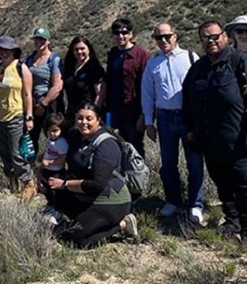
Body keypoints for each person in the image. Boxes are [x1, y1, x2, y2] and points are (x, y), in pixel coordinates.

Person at [183, 20, 247, 239]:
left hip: (238, 139)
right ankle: (233, 222)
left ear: (225, 36)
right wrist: (190, 129)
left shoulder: (239, 62)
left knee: (243, 183)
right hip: (209, 140)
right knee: (222, 184)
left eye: (214, 36)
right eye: (205, 38)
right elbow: (187, 102)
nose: (210, 41)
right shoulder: (197, 69)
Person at [48, 104, 137, 249]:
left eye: (89, 119)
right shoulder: (75, 136)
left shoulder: (106, 145)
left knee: (78, 239)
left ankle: (123, 224)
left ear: (98, 120)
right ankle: (68, 215)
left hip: (110, 199)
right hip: (84, 194)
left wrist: (65, 184)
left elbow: (97, 185)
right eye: (80, 118)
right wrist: (40, 171)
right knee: (50, 182)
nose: (84, 123)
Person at [141, 23, 203, 224]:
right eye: (159, 37)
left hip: (189, 118)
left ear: (175, 36)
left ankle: (195, 204)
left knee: (194, 163)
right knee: (168, 164)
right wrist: (149, 122)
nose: (164, 40)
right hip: (165, 118)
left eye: (167, 36)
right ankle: (173, 201)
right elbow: (148, 94)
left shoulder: (191, 58)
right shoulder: (152, 63)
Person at [0, 35, 36, 198]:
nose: (4, 52)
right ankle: (12, 181)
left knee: (17, 152)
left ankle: (28, 182)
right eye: (1, 50)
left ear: (14, 51)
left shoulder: (21, 68)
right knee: (3, 151)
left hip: (16, 115)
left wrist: (29, 117)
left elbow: (28, 94)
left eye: (7, 50)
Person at [103, 18, 150, 157]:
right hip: (115, 112)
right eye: (117, 33)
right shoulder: (112, 54)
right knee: (116, 148)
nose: (121, 36)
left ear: (131, 34)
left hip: (134, 113)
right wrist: (108, 117)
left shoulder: (142, 56)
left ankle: (138, 178)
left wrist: (144, 116)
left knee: (135, 150)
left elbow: (147, 88)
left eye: (124, 32)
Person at [24, 27, 64, 149]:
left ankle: (55, 164)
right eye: (37, 39)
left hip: (50, 104)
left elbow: (57, 86)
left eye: (42, 39)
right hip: (33, 103)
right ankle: (32, 165)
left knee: (53, 136)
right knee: (31, 137)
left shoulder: (54, 60)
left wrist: (44, 103)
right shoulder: (30, 59)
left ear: (48, 41)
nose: (39, 42)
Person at [63, 35, 105, 125]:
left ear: (89, 49)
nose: (79, 52)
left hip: (87, 115)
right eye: (76, 49)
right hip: (71, 114)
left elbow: (100, 94)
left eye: (82, 49)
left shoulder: (95, 68)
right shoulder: (70, 68)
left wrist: (93, 113)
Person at [37, 113, 69, 209]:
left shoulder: (61, 142)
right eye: (49, 131)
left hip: (56, 171)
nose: (52, 133)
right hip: (48, 169)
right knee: (45, 188)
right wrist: (42, 156)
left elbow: (63, 159)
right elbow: (48, 151)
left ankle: (57, 208)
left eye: (55, 130)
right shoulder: (50, 140)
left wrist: (50, 162)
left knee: (54, 191)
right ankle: (50, 204)